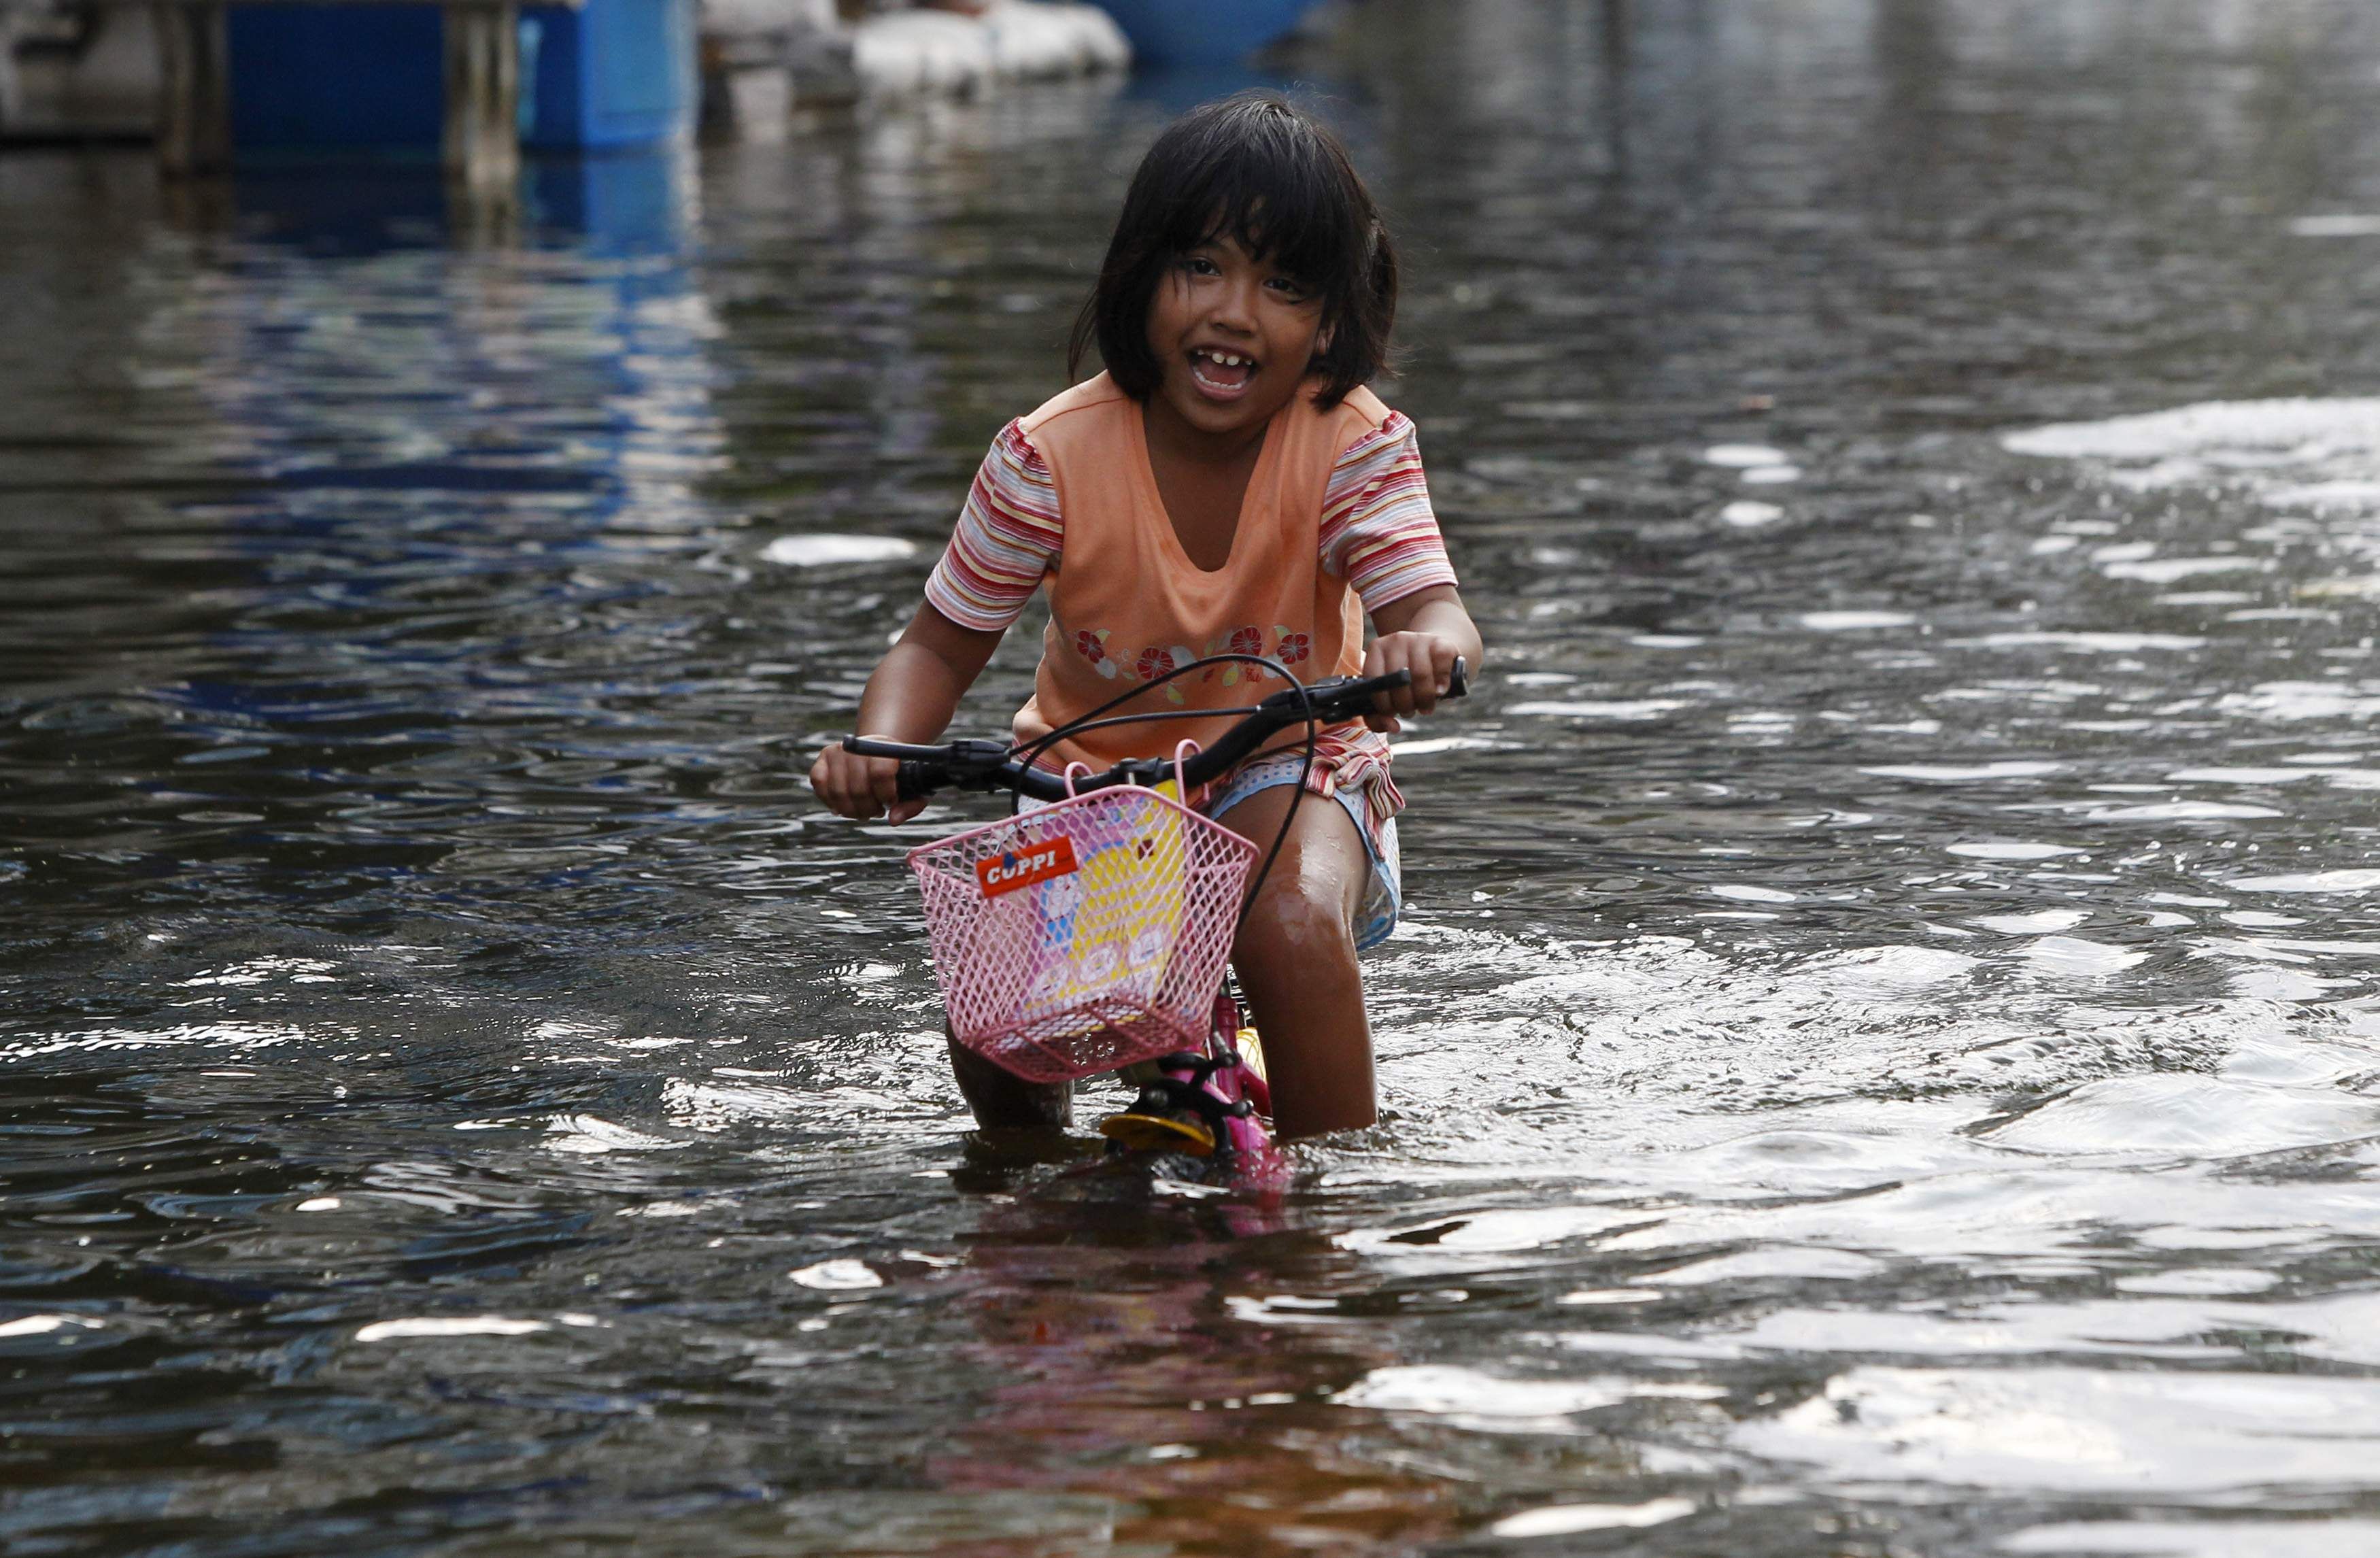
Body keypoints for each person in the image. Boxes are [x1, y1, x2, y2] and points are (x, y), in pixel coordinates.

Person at [809, 92, 1482, 1142]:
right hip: (1092, 788)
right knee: (990, 1016)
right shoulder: (1046, 457)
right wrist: (882, 748)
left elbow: (1432, 607)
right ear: (1139, 275)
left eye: (1283, 285)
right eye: (1201, 267)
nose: (1234, 312)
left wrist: (1425, 653)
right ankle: (1036, 1213)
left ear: (1331, 323)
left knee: (1293, 927)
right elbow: (937, 644)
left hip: (1289, 763)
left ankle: (1333, 1231)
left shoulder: (1352, 443)